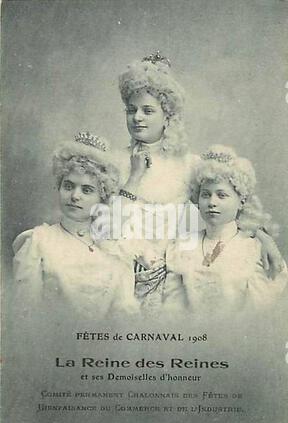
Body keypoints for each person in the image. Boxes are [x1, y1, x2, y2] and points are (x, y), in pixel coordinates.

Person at [115, 52, 284, 315]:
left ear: (168, 116)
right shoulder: (114, 163)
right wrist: (134, 177)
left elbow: (228, 205)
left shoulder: (190, 164)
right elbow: (103, 224)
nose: (138, 118)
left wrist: (263, 238)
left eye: (148, 111)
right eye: (131, 110)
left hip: (179, 275)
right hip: (124, 270)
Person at [12, 132, 138, 320]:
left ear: (101, 197)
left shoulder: (115, 247)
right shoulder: (39, 241)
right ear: (59, 186)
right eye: (69, 186)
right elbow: (25, 314)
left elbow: (125, 316)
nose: (75, 196)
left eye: (86, 190)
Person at [166, 145, 287, 316]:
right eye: (206, 194)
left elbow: (258, 315)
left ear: (241, 201)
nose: (212, 202)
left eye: (221, 195)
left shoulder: (254, 250)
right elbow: (171, 311)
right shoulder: (181, 245)